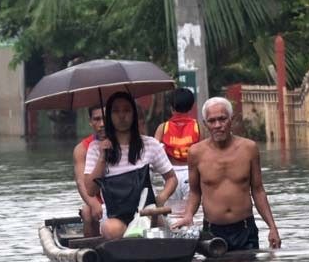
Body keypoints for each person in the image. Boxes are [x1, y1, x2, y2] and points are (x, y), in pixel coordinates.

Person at [172, 96, 281, 250]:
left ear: (231, 120)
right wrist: (188, 214)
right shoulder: (196, 153)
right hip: (212, 231)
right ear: (205, 124)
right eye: (212, 121)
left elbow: (258, 190)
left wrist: (272, 227)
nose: (218, 125)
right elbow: (195, 192)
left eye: (222, 119)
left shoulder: (249, 149)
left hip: (244, 229)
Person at [84, 92, 177, 239]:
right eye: (116, 111)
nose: (122, 116)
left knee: (156, 226)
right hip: (116, 216)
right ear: (109, 116)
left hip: (146, 212)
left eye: (126, 110)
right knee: (111, 229)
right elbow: (90, 189)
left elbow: (171, 178)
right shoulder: (96, 148)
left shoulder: (150, 144)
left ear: (134, 114)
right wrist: (102, 157)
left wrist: (162, 196)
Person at [154, 88, 200, 217]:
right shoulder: (199, 127)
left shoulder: (163, 127)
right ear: (191, 106)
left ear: (171, 107)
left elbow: (153, 154)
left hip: (169, 176)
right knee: (191, 214)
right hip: (192, 175)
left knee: (171, 214)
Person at [74, 104, 106, 237]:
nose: (102, 124)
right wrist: (94, 203)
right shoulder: (82, 149)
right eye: (97, 119)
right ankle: (90, 250)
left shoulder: (123, 141)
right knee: (87, 212)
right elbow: (81, 183)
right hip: (95, 197)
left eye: (105, 119)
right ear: (90, 121)